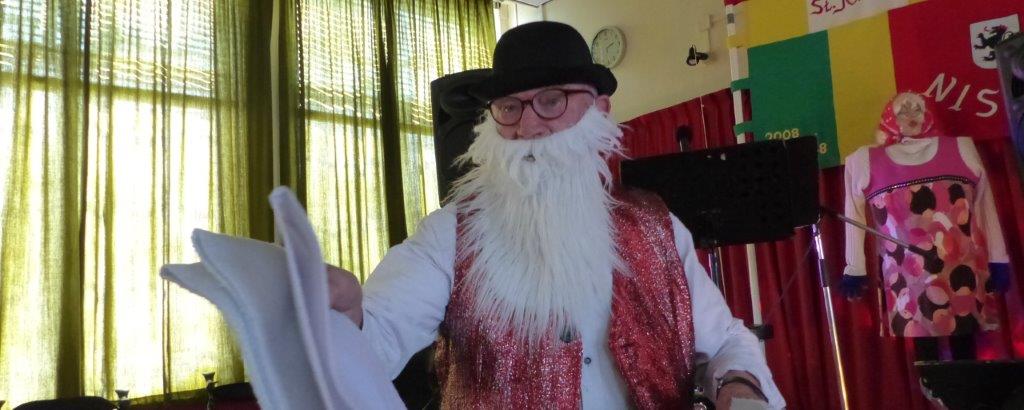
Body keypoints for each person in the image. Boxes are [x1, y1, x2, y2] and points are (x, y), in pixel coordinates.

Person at [326, 21, 785, 409]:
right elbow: (380, 333)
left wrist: (738, 385)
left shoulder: (656, 226)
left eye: (551, 100)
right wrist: (345, 321)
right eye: (509, 107)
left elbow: (724, 341)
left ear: (599, 109)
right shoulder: (451, 234)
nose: (528, 126)